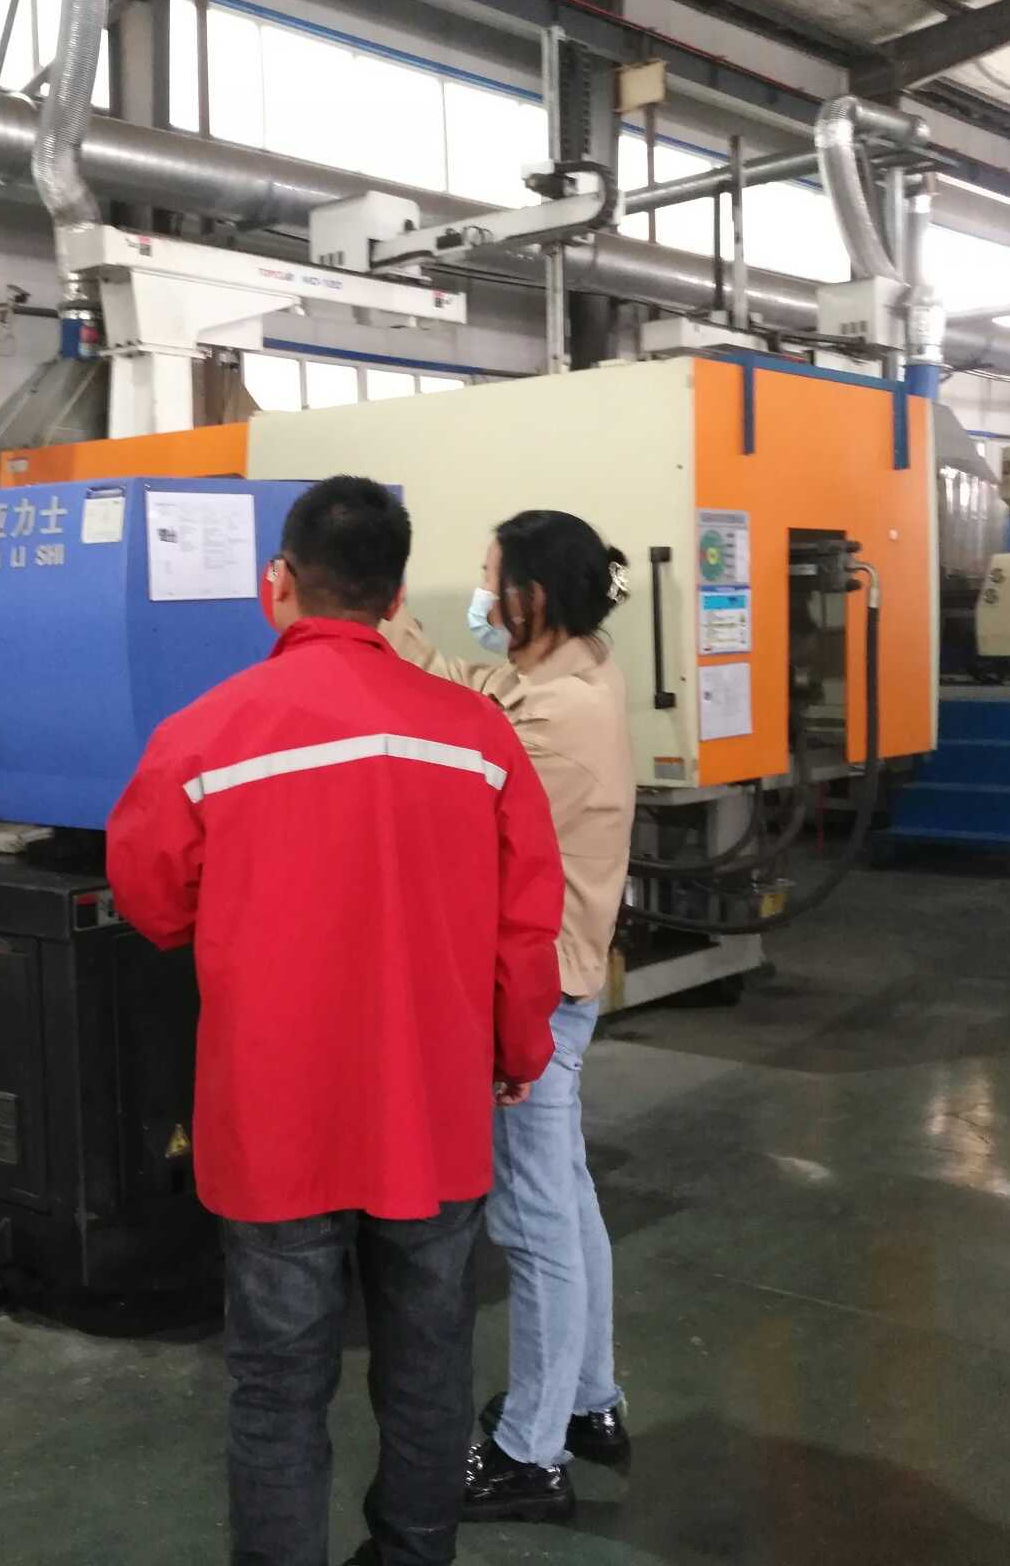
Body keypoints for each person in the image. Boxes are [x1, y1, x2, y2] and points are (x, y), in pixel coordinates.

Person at [107, 476, 566, 1566]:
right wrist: (517, 1051)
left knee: (277, 1383)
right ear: (396, 595)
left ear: (279, 582)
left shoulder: (203, 736)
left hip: (276, 1124)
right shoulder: (479, 738)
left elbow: (151, 898)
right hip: (432, 1117)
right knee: (428, 1367)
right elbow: (525, 924)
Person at [385, 509, 638, 1525]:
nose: (483, 595)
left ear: (532, 594)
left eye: (492, 579)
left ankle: (530, 1454)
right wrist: (391, 623)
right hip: (568, 977)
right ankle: (590, 1400)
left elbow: (467, 771)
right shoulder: (574, 671)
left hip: (541, 990)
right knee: (566, 1197)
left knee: (533, 1221)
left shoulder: (559, 714)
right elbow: (478, 688)